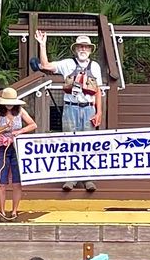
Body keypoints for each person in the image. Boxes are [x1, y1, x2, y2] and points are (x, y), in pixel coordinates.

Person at [34, 30, 103, 193]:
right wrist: (42, 45)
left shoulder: (95, 67)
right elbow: (45, 66)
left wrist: (99, 112)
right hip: (70, 108)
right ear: (75, 48)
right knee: (69, 143)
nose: (83, 49)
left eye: (86, 47)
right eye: (80, 46)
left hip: (88, 109)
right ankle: (70, 178)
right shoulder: (67, 64)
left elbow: (98, 91)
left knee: (88, 144)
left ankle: (88, 179)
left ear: (90, 50)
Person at [0, 87, 37, 220]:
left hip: (16, 148)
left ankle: (15, 210)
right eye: (7, 102)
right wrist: (5, 126)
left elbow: (33, 125)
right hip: (2, 147)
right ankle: (2, 211)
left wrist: (19, 131)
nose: (9, 105)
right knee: (2, 181)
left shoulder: (20, 111)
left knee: (17, 181)